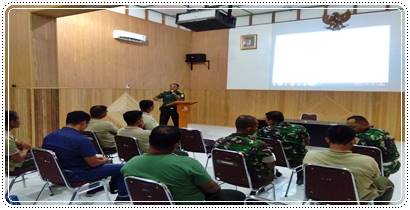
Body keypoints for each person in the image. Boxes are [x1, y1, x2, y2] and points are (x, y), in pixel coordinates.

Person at [121, 126, 245, 204]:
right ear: (176, 145)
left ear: (150, 141)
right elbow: (214, 189)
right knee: (237, 195)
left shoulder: (131, 163)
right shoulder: (188, 164)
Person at [42, 111, 129, 201]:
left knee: (106, 165)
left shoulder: (49, 136)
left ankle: (95, 188)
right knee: (123, 167)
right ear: (83, 123)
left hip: (57, 174)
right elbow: (93, 164)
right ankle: (123, 197)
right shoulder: (81, 140)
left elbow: (66, 154)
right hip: (76, 175)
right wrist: (104, 160)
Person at [303, 125, 394, 203]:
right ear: (354, 141)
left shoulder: (311, 155)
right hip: (356, 199)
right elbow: (377, 181)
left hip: (319, 195)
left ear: (327, 140)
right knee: (388, 184)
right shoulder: (367, 161)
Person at [215, 115, 275, 186]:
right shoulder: (258, 144)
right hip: (253, 178)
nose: (257, 129)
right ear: (249, 129)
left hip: (225, 175)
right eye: (256, 127)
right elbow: (270, 165)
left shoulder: (219, 141)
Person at [257, 111, 309, 185]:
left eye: (266, 119)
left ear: (271, 120)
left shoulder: (264, 131)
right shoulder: (299, 128)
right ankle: (300, 176)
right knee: (302, 151)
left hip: (274, 159)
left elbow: (258, 143)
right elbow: (307, 142)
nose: (265, 121)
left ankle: (273, 171)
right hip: (295, 160)